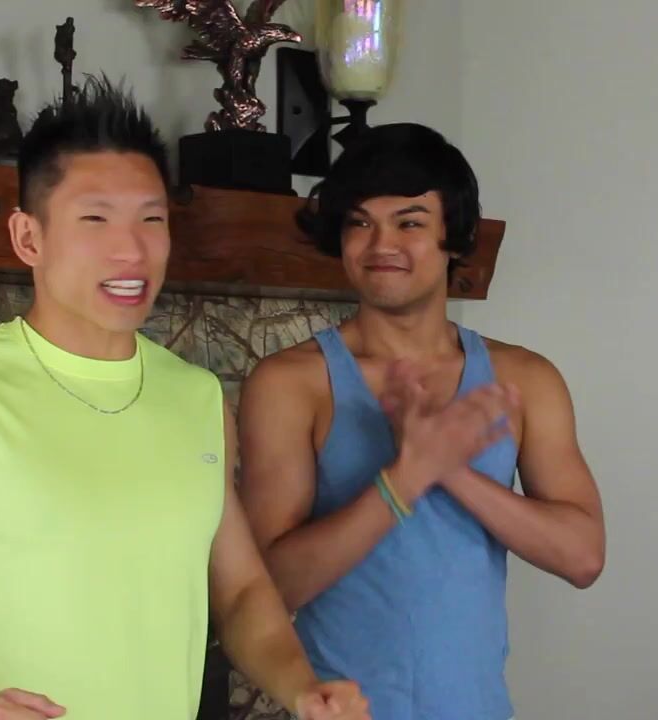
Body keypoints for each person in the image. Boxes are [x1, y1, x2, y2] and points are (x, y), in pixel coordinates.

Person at [0, 76, 369, 720]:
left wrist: (301, 688)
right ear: (28, 237)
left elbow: (239, 592)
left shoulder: (199, 399)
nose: (131, 250)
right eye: (95, 219)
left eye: (151, 219)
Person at [236, 123, 606, 720]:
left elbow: (583, 557)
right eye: (360, 223)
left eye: (409, 223)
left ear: (453, 237)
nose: (381, 244)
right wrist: (403, 480)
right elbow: (266, 590)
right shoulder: (291, 384)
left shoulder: (526, 379)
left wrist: (449, 470)